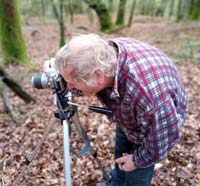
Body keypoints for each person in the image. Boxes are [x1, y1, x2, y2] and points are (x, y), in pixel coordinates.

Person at [54, 34, 188, 186]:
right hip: (128, 111)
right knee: (121, 155)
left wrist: (137, 160)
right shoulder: (104, 55)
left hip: (157, 127)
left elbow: (163, 139)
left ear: (99, 76)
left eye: (72, 82)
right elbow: (78, 58)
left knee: (135, 175)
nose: (69, 87)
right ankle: (116, 182)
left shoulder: (148, 96)